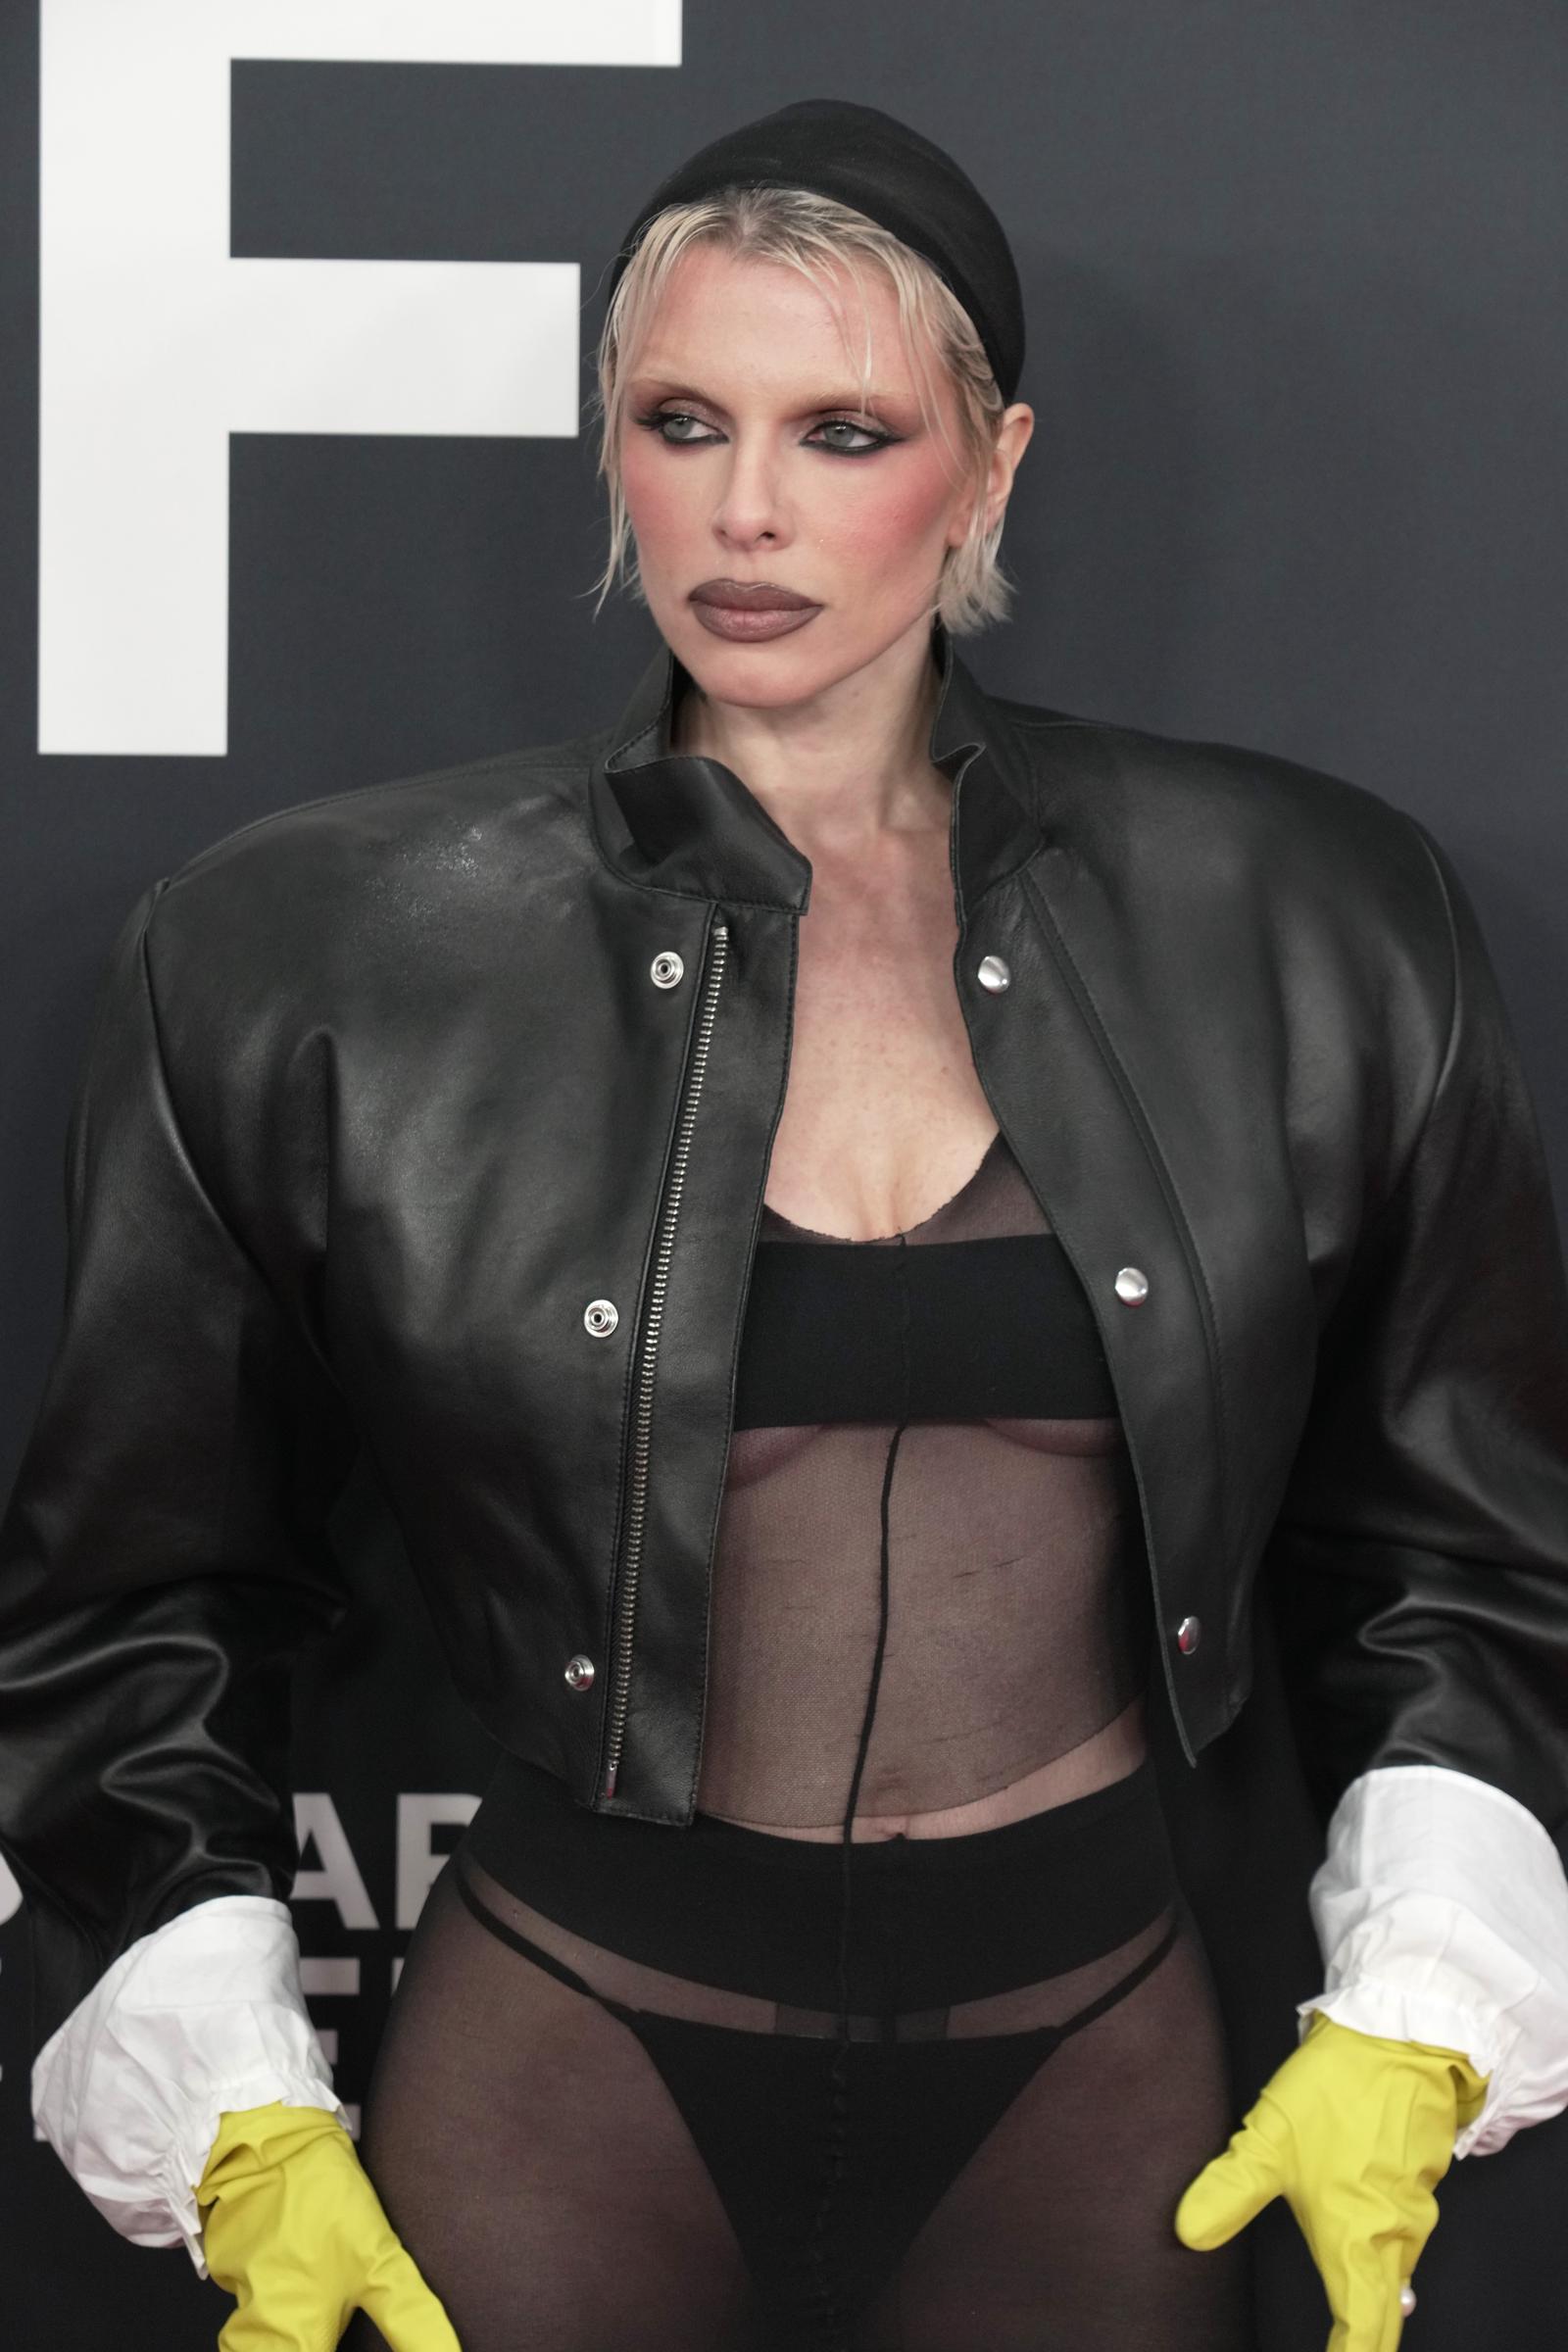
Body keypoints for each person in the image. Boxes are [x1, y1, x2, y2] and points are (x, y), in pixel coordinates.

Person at [3, 94, 1568, 2352]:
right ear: (609, 450)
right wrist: (222, 2088)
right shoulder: (308, 951)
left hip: (1102, 2069)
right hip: (564, 2059)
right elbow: (131, 1601)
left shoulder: (1312, 916)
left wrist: (1422, 1999)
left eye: (841, 429)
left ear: (993, 465)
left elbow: (1461, 1539)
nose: (744, 511)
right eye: (677, 421)